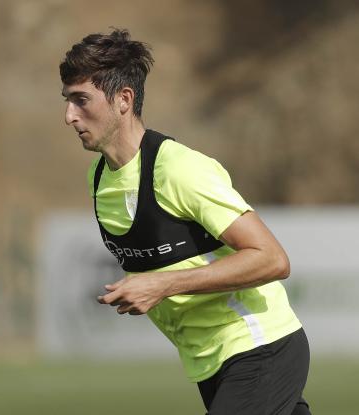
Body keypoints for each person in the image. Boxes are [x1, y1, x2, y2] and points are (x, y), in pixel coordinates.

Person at [60, 29, 311, 415]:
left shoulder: (179, 169)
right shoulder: (97, 179)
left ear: (123, 99)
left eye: (81, 100)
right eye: (67, 101)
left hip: (258, 346)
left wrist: (161, 284)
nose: (69, 116)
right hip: (208, 364)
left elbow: (272, 259)